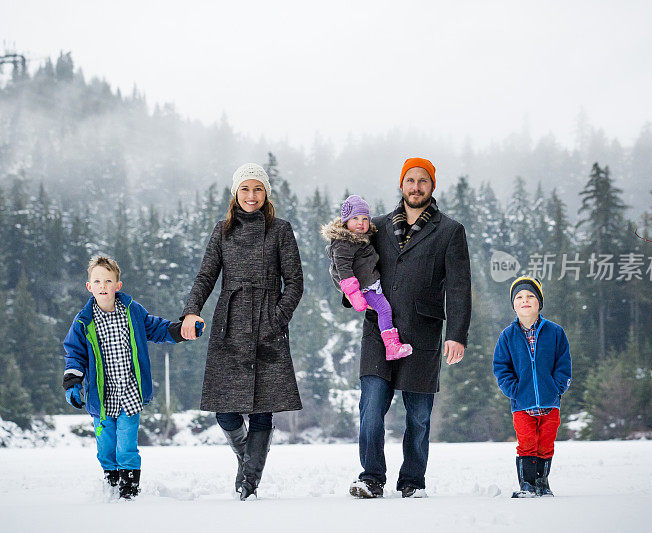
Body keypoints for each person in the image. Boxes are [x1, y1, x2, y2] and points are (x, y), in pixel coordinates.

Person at [348, 157, 472, 499]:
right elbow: (349, 262)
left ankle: (413, 482)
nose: (415, 187)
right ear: (400, 184)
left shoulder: (449, 231)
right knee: (371, 409)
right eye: (410, 180)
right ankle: (371, 477)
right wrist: (351, 293)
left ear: (432, 187)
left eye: (423, 181)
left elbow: (459, 287)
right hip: (379, 330)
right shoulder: (375, 227)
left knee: (418, 417)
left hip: (423, 333)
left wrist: (457, 335)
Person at [180, 162, 304, 500]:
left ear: (266, 194)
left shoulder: (281, 230)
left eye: (258, 189)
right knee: (226, 409)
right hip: (230, 323)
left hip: (268, 324)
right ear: (235, 193)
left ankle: (248, 481)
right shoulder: (222, 231)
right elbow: (206, 277)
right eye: (245, 189)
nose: (252, 195)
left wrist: (277, 317)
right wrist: (191, 311)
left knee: (263, 407)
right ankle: (248, 458)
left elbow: (294, 283)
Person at [62, 255, 190, 499]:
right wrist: (72, 383)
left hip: (130, 393)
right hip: (101, 398)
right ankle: (110, 486)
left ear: (117, 286)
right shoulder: (83, 322)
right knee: (106, 449)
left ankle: (129, 493)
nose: (103, 286)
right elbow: (75, 355)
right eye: (97, 281)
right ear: (89, 286)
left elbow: (157, 328)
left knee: (127, 447)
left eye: (108, 281)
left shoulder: (133, 312)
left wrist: (180, 331)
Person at [492, 276, 572, 498]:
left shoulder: (555, 332)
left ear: (539, 302)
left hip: (550, 402)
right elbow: (501, 367)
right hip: (522, 404)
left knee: (546, 444)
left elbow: (563, 364)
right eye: (519, 297)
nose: (524, 300)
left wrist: (557, 387)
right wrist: (514, 390)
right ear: (513, 304)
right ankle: (527, 485)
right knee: (527, 444)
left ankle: (542, 483)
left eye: (530, 296)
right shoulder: (507, 336)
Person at [321, 194, 412, 360]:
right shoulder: (344, 243)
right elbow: (343, 270)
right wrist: (354, 294)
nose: (360, 223)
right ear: (345, 221)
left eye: (364, 219)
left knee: (385, 310)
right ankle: (391, 347)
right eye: (355, 218)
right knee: (384, 310)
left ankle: (392, 346)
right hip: (363, 287)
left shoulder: (361, 238)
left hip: (370, 283)